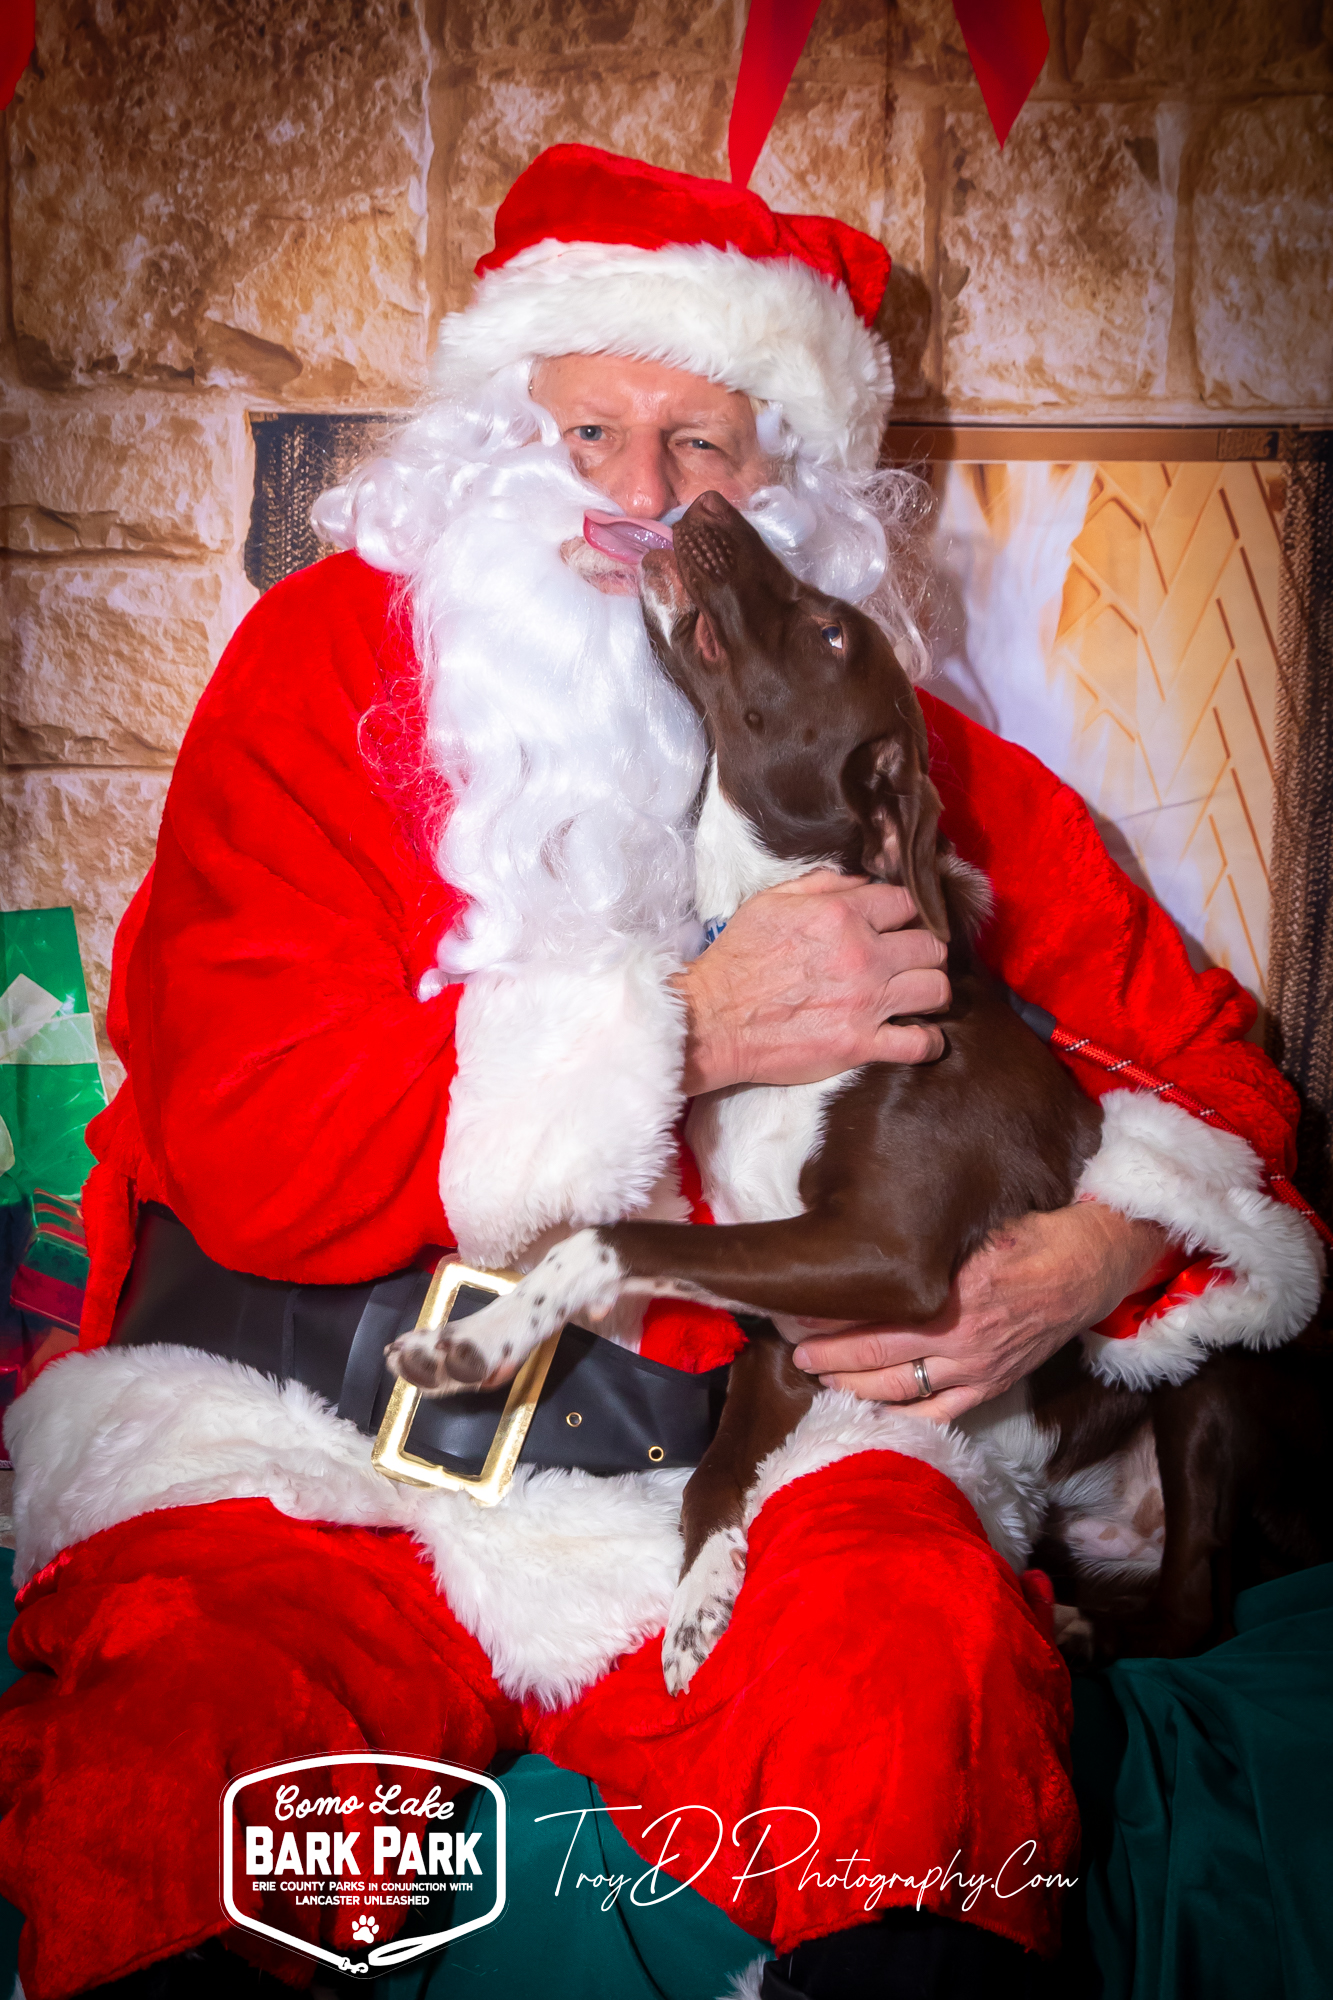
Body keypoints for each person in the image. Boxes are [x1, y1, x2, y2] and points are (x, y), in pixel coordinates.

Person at [0, 146, 1320, 2000]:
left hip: (732, 1488)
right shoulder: (317, 674)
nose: (636, 499)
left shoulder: (887, 757)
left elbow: (1209, 1077)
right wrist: (686, 1027)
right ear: (496, 440)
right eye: (588, 434)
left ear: (781, 488)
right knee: (194, 1736)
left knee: (917, 1670)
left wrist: (1091, 1258)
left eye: (699, 446)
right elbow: (248, 1137)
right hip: (311, 1452)